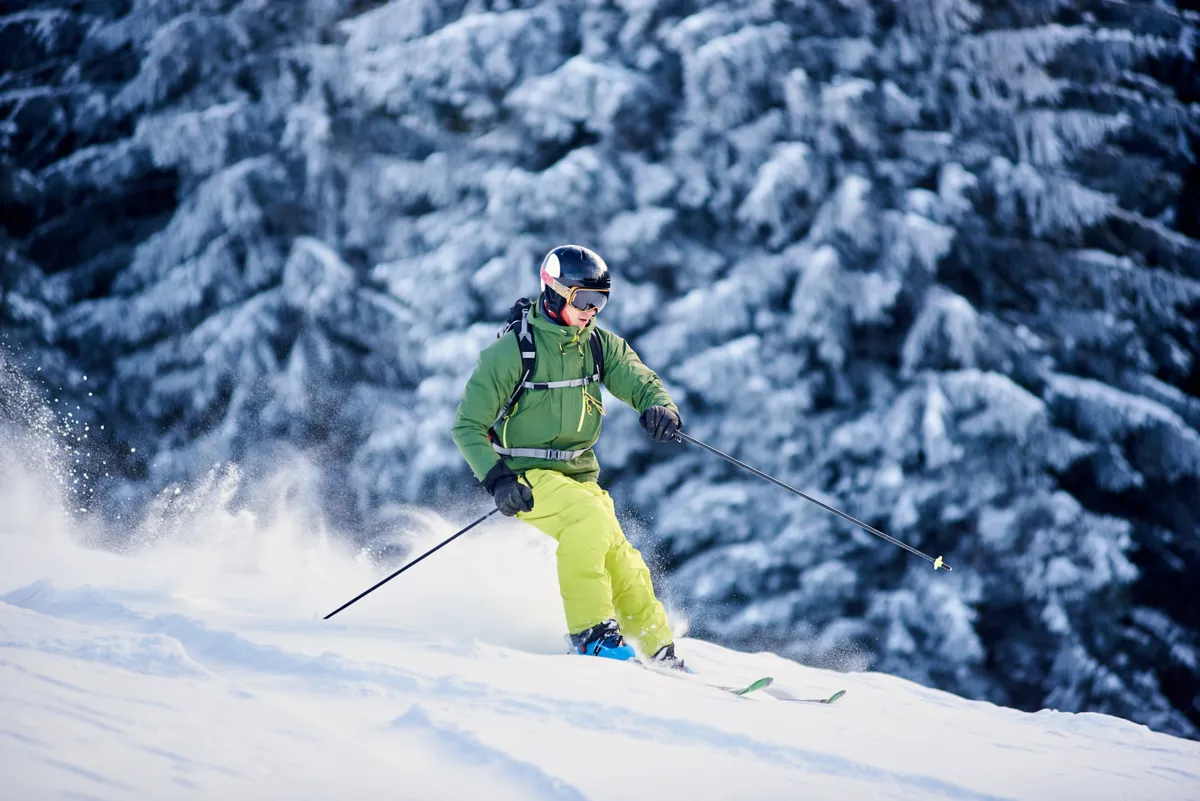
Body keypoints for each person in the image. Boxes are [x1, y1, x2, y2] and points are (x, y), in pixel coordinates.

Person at [451, 244, 688, 670]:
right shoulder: (512, 353)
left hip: (579, 476)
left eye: (601, 301)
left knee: (620, 552)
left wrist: (660, 408)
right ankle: (591, 635)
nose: (592, 310)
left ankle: (656, 646)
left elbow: (639, 379)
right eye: (584, 299)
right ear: (556, 291)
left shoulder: (596, 345)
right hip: (527, 475)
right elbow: (467, 426)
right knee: (588, 520)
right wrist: (498, 480)